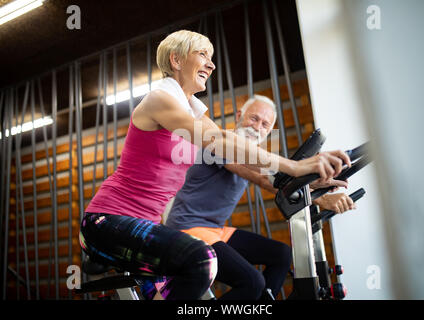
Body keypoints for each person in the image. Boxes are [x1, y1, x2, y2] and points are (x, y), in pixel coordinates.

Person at [79, 29, 351, 300]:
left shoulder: (194, 110)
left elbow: (240, 152)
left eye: (211, 57)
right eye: (202, 55)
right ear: (176, 60)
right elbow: (221, 141)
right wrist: (296, 167)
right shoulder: (159, 100)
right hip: (107, 221)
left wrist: (311, 181)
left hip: (149, 226)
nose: (211, 64)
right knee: (203, 260)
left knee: (177, 291)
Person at [164, 95, 355, 300]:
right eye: (254, 118)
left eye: (265, 125)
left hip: (216, 230)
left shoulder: (255, 156)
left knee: (281, 254)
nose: (257, 127)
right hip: (187, 228)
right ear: (239, 116)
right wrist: (315, 193)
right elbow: (263, 179)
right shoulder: (222, 143)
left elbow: (276, 180)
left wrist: (316, 189)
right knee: (252, 282)